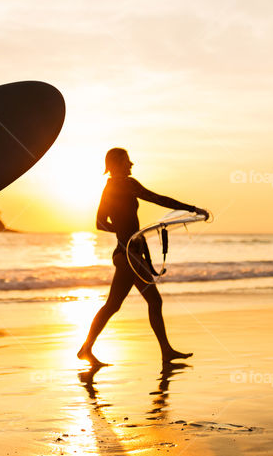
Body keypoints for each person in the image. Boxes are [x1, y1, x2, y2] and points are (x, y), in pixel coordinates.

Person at [78, 147, 208, 367]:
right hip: (129, 255)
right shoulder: (126, 184)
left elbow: (100, 223)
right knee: (152, 301)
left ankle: (86, 349)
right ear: (118, 164)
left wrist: (128, 234)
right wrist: (192, 209)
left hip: (127, 254)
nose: (131, 164)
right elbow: (157, 199)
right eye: (127, 161)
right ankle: (165, 352)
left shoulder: (110, 187)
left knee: (114, 305)